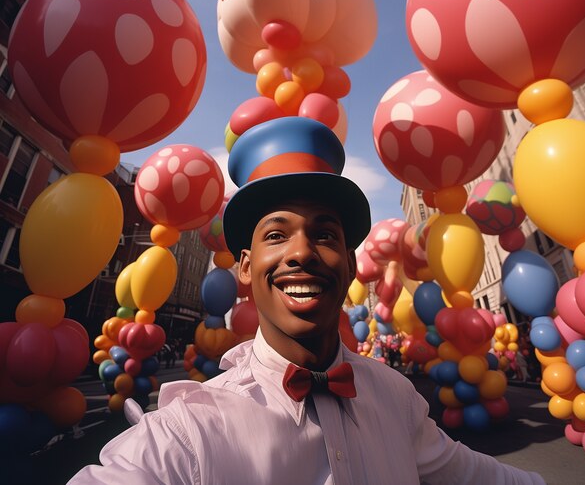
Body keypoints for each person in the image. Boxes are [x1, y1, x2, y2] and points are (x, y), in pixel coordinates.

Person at [68, 118, 545, 484]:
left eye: (324, 234)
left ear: (349, 263)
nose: (300, 253)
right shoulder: (187, 433)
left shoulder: (397, 399)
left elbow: (474, 474)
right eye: (277, 234)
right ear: (246, 267)